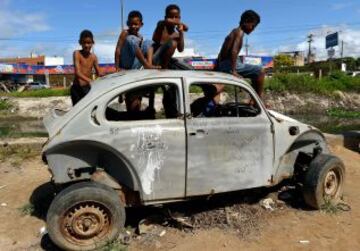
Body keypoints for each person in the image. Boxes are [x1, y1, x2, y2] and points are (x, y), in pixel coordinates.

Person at [217, 10, 265, 99]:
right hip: (230, 64)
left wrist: (217, 67)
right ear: (246, 21)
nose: (253, 29)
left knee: (255, 73)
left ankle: (254, 99)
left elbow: (221, 53)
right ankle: (257, 100)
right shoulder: (239, 32)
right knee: (260, 72)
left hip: (223, 64)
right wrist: (234, 70)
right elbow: (234, 51)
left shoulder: (233, 32)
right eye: (253, 26)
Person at [150, 4, 189, 69]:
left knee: (187, 68)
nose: (174, 19)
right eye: (171, 17)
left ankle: (166, 66)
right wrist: (180, 23)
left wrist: (181, 32)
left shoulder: (177, 34)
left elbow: (181, 49)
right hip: (155, 58)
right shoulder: (161, 25)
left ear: (179, 18)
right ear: (165, 17)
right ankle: (164, 68)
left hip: (167, 60)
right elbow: (167, 21)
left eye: (176, 17)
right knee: (173, 43)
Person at [71, 30, 102, 105]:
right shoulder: (77, 54)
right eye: (84, 42)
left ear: (93, 43)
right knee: (77, 111)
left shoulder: (94, 57)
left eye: (89, 43)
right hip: (76, 88)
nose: (86, 45)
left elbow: (99, 74)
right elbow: (78, 73)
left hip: (88, 88)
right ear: (80, 42)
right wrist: (91, 81)